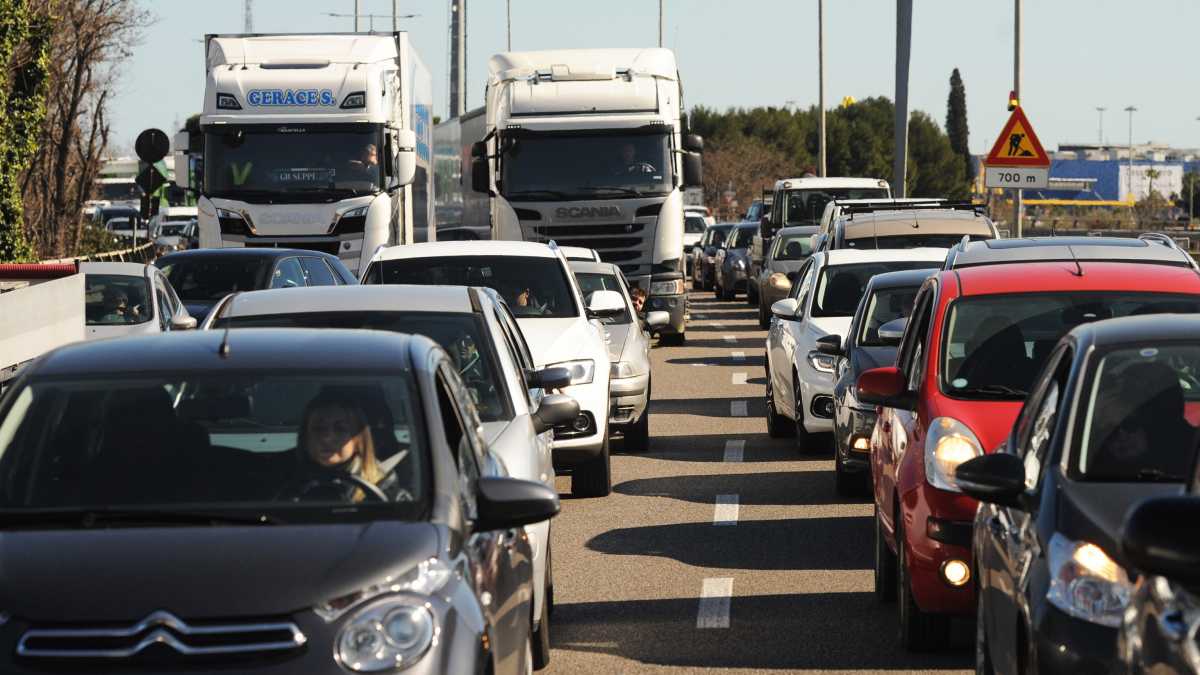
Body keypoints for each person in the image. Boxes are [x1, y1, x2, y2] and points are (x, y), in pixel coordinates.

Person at [296, 392, 383, 502]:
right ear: (305, 436)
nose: (327, 437)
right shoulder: (280, 479)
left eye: (340, 429)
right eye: (318, 428)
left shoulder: (382, 483)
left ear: (359, 440)